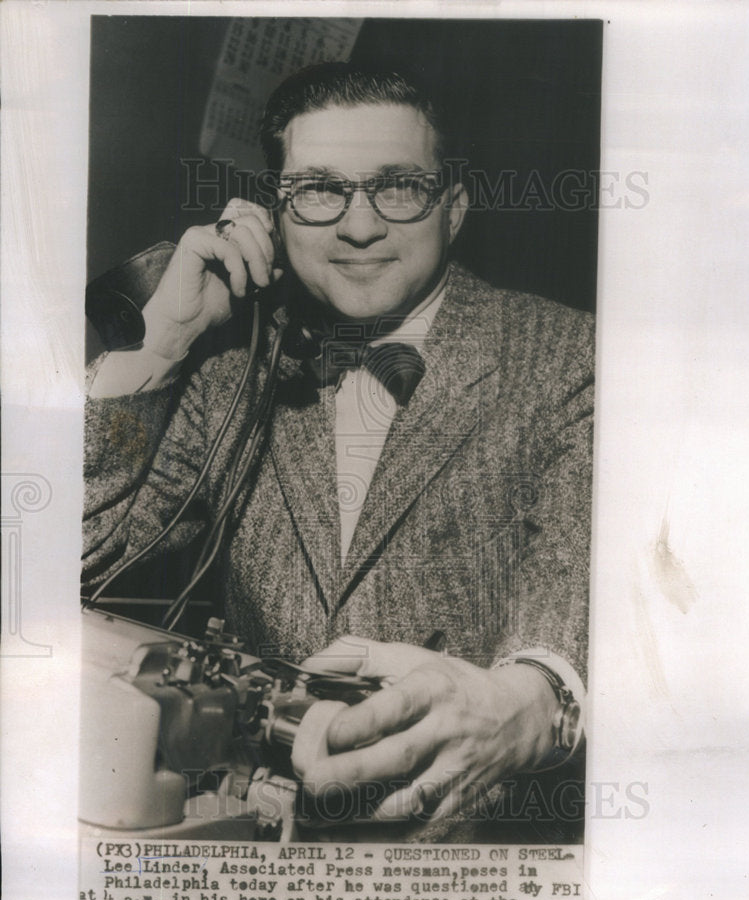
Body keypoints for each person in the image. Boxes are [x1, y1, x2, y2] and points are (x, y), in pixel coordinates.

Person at [83, 63, 594, 840]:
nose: (359, 227)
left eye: (398, 186)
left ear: (453, 208)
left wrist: (536, 699)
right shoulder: (229, 371)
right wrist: (159, 348)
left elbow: (573, 586)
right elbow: (72, 567)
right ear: (272, 217)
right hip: (256, 857)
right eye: (320, 189)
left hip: (469, 866)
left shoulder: (567, 357)